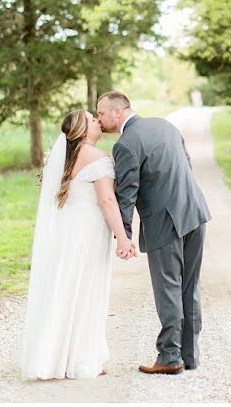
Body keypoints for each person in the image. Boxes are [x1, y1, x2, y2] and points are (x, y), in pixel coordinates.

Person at [96, 91, 212, 375]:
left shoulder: (125, 144)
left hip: (165, 222)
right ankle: (190, 355)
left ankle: (170, 356)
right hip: (195, 212)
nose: (98, 119)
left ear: (118, 112)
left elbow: (126, 193)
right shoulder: (165, 125)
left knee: (169, 288)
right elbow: (186, 164)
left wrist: (123, 235)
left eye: (100, 113)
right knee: (189, 286)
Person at [19, 109, 137, 380]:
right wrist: (122, 237)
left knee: (65, 288)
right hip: (87, 234)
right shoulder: (97, 159)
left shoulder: (60, 160)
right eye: (91, 119)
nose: (98, 120)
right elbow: (106, 201)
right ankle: (82, 359)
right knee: (86, 290)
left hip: (65, 233)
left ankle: (53, 357)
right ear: (83, 131)